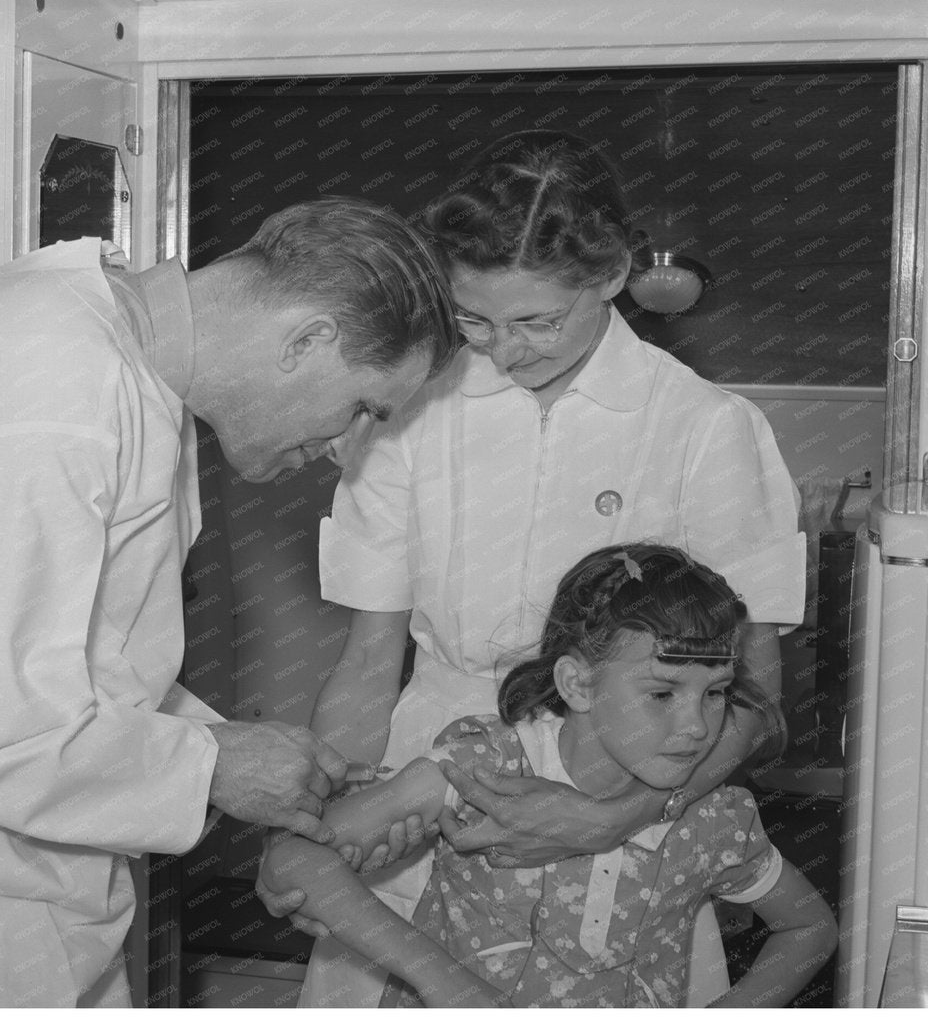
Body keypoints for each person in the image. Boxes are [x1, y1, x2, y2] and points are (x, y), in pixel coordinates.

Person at [0, 198, 461, 1007]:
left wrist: (235, 747)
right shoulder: (35, 380)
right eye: (363, 409)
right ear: (306, 339)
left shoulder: (126, 382)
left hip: (14, 908)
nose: (345, 451)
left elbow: (77, 675)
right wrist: (216, 767)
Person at [267, 131, 805, 1007]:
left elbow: (754, 697)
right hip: (423, 789)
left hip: (631, 806)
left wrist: (613, 817)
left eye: (536, 321)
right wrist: (325, 825)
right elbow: (370, 662)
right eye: (474, 319)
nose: (504, 351)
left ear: (611, 276)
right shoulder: (410, 413)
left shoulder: (706, 427)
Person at [261, 544, 837, 1008]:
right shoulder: (483, 770)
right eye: (662, 693)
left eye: (715, 694)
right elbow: (294, 859)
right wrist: (447, 986)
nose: (696, 726)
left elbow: (809, 929)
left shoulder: (712, 815)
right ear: (578, 684)